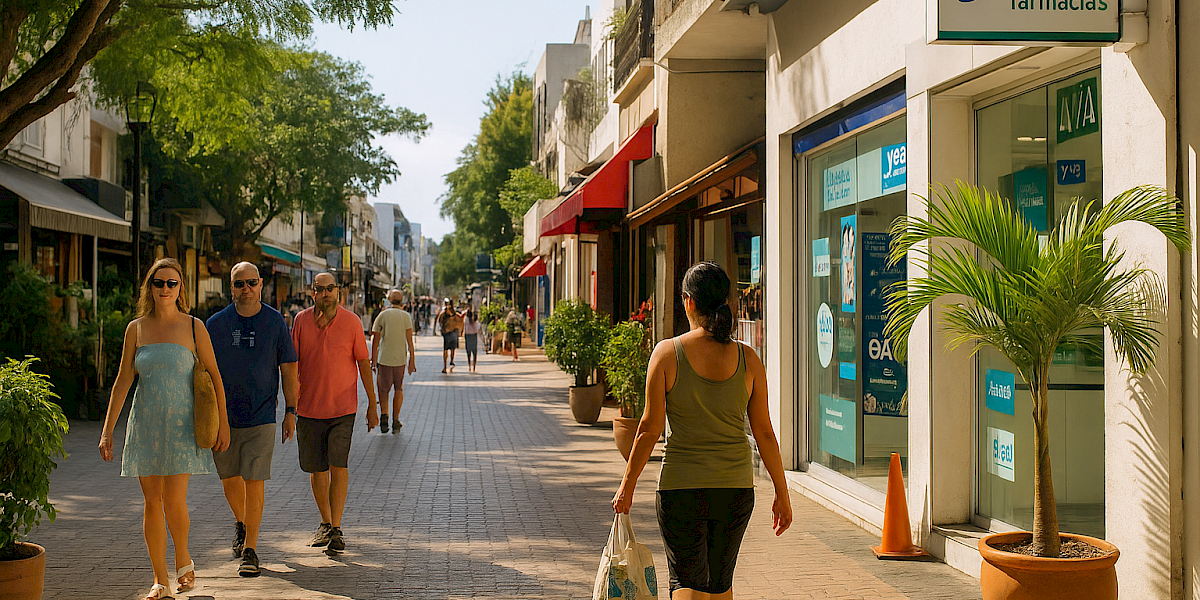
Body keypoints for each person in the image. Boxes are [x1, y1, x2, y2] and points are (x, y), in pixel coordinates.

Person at [612, 261, 792, 600]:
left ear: (688, 302)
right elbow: (765, 433)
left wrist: (627, 486)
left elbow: (648, 429)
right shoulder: (748, 359)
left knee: (687, 584)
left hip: (682, 488)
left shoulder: (667, 354)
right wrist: (782, 493)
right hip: (736, 489)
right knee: (720, 586)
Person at [99, 258, 231, 600]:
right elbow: (123, 379)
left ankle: (183, 556)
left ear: (180, 289)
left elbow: (215, 376)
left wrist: (223, 425)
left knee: (174, 500)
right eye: (159, 283)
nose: (165, 289)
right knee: (151, 500)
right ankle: (160, 580)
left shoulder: (193, 327)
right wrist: (107, 430)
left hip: (182, 426)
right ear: (150, 287)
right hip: (145, 424)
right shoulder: (136, 328)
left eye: (172, 283)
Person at [206, 262, 300, 577]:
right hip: (224, 418)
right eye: (238, 283)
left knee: (254, 479)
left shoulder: (275, 322)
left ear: (260, 284)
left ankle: (251, 549)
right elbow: (202, 371)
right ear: (230, 287)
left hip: (262, 415)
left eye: (250, 282)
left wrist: (290, 410)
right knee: (230, 479)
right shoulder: (216, 325)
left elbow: (289, 368)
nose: (245, 289)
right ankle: (243, 523)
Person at [291, 272, 379, 554]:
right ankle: (325, 523)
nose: (326, 293)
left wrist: (373, 404)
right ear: (312, 292)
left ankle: (337, 527)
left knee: (338, 465)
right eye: (321, 289)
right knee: (317, 469)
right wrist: (290, 408)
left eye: (331, 289)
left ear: (338, 292)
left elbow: (364, 364)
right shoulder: (300, 321)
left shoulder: (352, 322)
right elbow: (291, 365)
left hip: (343, 409)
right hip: (308, 408)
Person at [371, 289, 416, 433]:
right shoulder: (406, 316)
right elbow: (410, 341)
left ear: (389, 300)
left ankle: (384, 416)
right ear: (402, 300)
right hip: (400, 359)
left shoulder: (383, 315)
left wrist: (373, 359)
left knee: (383, 389)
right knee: (398, 388)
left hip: (385, 358)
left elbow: (375, 339)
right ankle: (396, 419)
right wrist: (412, 360)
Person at [435, 298, 460, 373]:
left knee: (452, 349)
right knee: (447, 349)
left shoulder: (452, 313)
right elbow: (440, 321)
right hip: (448, 333)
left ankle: (450, 362)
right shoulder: (444, 313)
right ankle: (446, 365)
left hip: (451, 332)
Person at [462, 308, 481, 372]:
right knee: (474, 352)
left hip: (468, 336)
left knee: (468, 352)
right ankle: (474, 367)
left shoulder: (466, 320)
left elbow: (464, 327)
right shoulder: (475, 321)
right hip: (474, 336)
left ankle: (469, 365)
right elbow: (478, 328)